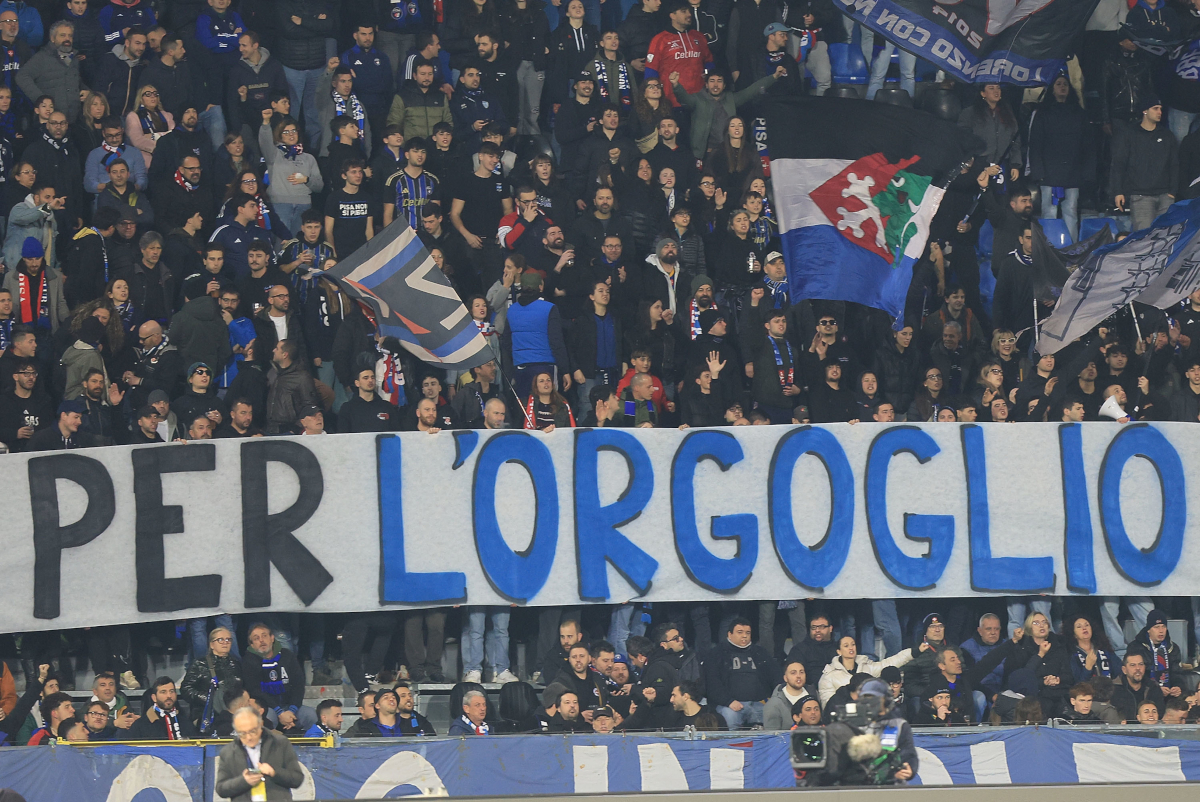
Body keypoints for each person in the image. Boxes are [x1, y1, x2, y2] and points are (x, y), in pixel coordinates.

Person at [819, 679, 917, 785]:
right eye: (866, 698)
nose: (870, 702)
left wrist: (909, 769)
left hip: (890, 785)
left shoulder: (899, 725)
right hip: (855, 785)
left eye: (874, 698)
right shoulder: (850, 723)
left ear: (886, 700)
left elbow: (908, 753)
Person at [1110, 97, 1177, 231]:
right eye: (1155, 109)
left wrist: (1172, 192)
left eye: (1161, 109)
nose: (1159, 112)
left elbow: (1174, 164)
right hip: (1140, 196)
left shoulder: (1167, 135)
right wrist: (1118, 191)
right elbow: (1119, 163)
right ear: (1145, 111)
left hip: (1165, 196)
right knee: (1143, 240)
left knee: (1165, 240)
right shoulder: (1129, 134)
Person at [215, 707, 305, 801]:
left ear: (261, 724)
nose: (248, 737)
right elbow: (221, 789)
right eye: (242, 733)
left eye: (252, 731)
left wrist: (274, 772)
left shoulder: (280, 743)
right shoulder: (228, 752)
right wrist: (243, 781)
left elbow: (297, 779)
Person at [241, 622, 317, 734]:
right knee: (266, 719)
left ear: (272, 638)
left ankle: (313, 750)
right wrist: (280, 712)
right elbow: (255, 690)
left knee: (310, 715)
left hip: (291, 707)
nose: (262, 640)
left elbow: (298, 685)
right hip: (268, 708)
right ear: (252, 645)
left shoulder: (287, 655)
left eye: (264, 636)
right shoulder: (248, 661)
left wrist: (291, 710)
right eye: (256, 638)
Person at [704, 618, 779, 730]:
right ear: (730, 634)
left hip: (759, 703)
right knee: (729, 717)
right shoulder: (716, 654)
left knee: (775, 716)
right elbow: (712, 683)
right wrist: (728, 701)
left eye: (747, 633)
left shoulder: (760, 652)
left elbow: (776, 676)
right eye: (740, 632)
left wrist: (774, 700)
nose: (744, 636)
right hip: (729, 705)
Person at [180, 626, 242, 735]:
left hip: (233, 712)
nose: (225, 642)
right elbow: (185, 689)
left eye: (228, 639)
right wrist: (209, 699)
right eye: (220, 640)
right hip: (206, 714)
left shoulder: (236, 664)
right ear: (212, 644)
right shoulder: (200, 664)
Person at [122, 677, 198, 739]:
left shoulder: (186, 722)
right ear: (154, 698)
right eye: (163, 692)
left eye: (172, 691)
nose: (169, 695)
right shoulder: (140, 725)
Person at [763, 659, 818, 730]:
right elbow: (771, 736)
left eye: (801, 672)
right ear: (785, 678)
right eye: (793, 673)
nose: (798, 676)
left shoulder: (814, 694)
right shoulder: (774, 704)